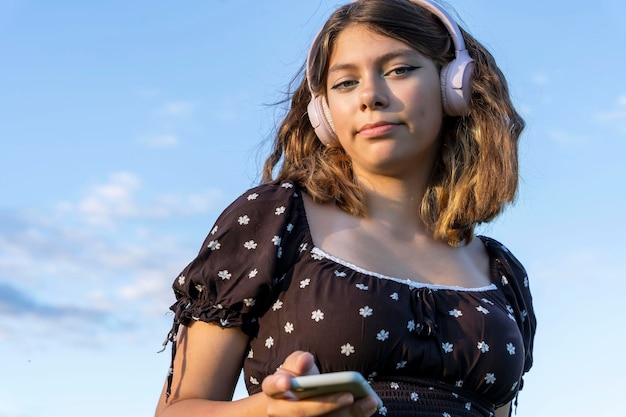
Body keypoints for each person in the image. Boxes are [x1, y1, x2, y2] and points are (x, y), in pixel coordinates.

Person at [154, 0, 537, 416]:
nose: (371, 96)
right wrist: (270, 411)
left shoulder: (500, 272)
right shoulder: (276, 221)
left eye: (399, 70)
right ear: (323, 113)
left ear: (454, 86)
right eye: (345, 83)